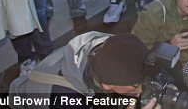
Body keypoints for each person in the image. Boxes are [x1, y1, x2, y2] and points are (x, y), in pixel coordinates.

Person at [9, 32, 158, 109]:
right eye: (134, 86)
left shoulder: (105, 45)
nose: (140, 91)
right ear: (107, 86)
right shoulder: (66, 101)